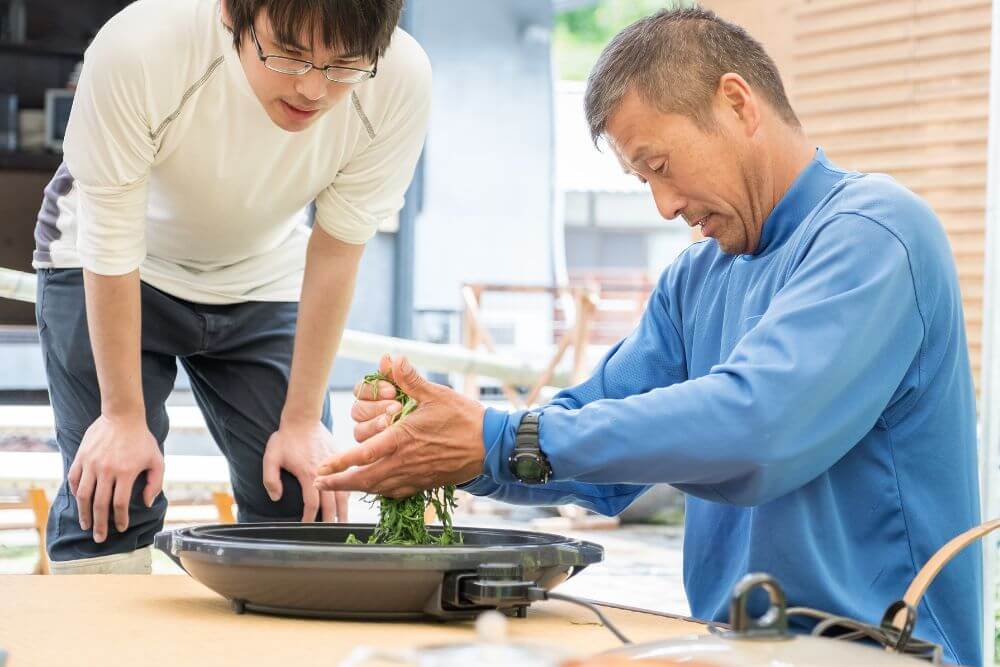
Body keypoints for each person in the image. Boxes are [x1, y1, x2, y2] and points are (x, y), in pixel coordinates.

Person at [316, 8, 982, 665]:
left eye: (660, 164)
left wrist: (500, 437)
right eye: (644, 181)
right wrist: (451, 441)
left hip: (883, 650)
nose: (664, 206)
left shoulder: (876, 233)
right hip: (734, 649)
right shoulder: (697, 277)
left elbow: (759, 426)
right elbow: (593, 434)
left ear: (737, 104)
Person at [31, 0, 429, 574]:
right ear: (230, 13)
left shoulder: (400, 80)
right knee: (116, 495)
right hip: (111, 262)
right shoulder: (140, 49)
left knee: (302, 496)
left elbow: (338, 248)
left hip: (260, 273)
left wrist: (300, 424)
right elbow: (111, 238)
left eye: (344, 65)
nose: (313, 90)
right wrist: (120, 416)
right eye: (289, 55)